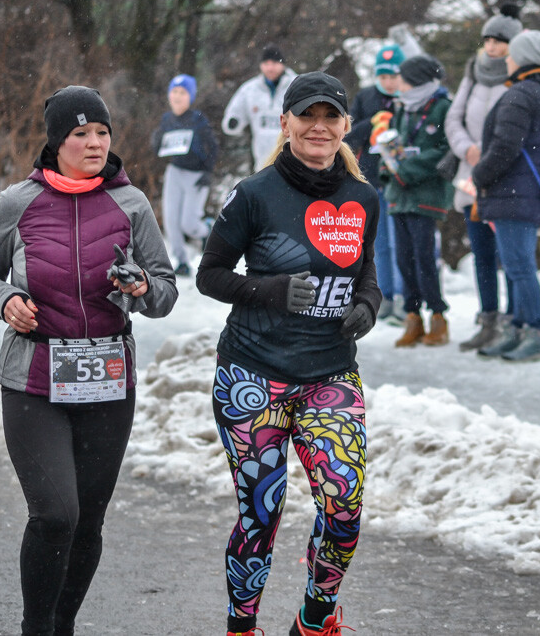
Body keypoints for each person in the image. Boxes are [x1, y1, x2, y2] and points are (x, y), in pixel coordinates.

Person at [0, 85, 179, 636]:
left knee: (87, 522)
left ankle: (63, 625)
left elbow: (166, 293)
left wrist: (140, 287)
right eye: (81, 134)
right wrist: (6, 300)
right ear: (57, 142)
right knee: (56, 514)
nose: (94, 143)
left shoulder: (132, 204)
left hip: (108, 380)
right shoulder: (19, 201)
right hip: (34, 379)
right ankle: (36, 628)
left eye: (102, 133)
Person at [196, 71, 379, 636]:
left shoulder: (365, 198)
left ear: (346, 127)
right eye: (307, 116)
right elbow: (210, 276)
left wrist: (368, 307)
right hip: (252, 374)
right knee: (261, 515)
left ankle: (316, 617)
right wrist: (269, 289)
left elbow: (367, 274)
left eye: (331, 118)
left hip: (329, 372)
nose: (319, 127)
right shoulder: (253, 194)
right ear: (286, 124)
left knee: (344, 505)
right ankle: (241, 627)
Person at [471, 30, 540, 362]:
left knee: (519, 267)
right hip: (524, 191)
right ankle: (517, 328)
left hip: (515, 193)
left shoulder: (522, 94)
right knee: (516, 265)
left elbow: (505, 147)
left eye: (512, 54)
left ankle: (536, 332)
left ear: (525, 58)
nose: (507, 60)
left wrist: (479, 174)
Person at [444, 5, 522, 351]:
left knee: (512, 254)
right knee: (482, 254)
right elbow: (453, 118)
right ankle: (488, 318)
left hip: (504, 178)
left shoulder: (519, 75)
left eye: (499, 41)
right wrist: (466, 148)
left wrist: (491, 155)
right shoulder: (473, 72)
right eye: (487, 40)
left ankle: (514, 320)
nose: (491, 47)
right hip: (470, 176)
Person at [379, 53, 454, 347]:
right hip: (398, 195)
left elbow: (445, 150)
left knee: (424, 258)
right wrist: (388, 167)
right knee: (403, 259)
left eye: (405, 80)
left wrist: (408, 170)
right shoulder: (402, 108)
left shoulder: (443, 108)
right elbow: (392, 142)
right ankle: (413, 317)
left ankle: (438, 315)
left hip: (426, 195)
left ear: (420, 82)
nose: (400, 85)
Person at [346, 42, 406, 323]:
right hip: (372, 178)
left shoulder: (408, 98)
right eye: (383, 77)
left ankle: (406, 298)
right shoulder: (366, 96)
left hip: (401, 179)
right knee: (379, 243)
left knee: (402, 242)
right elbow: (348, 134)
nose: (389, 83)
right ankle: (386, 296)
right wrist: (372, 122)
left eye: (393, 76)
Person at [151, 73, 219, 276]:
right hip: (175, 172)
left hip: (196, 176)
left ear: (190, 96)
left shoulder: (198, 119)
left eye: (182, 92)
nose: (178, 96)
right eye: (174, 92)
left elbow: (213, 147)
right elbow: (161, 148)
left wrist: (208, 173)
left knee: (188, 224)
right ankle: (181, 261)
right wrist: (155, 141)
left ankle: (207, 228)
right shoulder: (166, 119)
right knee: (171, 222)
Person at [221, 43, 298, 171]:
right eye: (266, 64)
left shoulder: (296, 85)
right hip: (262, 158)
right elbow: (234, 115)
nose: (270, 68)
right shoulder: (250, 89)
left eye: (274, 63)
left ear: (282, 64)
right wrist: (233, 122)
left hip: (293, 156)